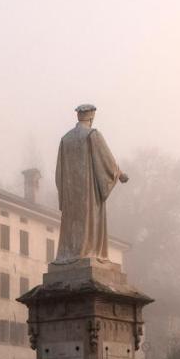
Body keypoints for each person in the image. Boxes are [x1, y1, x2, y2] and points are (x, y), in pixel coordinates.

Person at [54, 104, 128, 263]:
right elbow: (107, 161)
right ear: (91, 118)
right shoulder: (93, 135)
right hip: (89, 194)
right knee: (90, 223)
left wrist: (64, 194)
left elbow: (58, 172)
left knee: (72, 225)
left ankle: (70, 253)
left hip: (70, 197)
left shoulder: (65, 139)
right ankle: (89, 252)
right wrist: (120, 174)